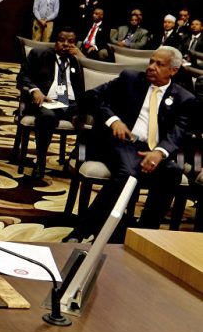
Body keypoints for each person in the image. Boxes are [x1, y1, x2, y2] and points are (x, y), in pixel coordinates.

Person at [64, 47, 194, 243]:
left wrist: (160, 152)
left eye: (159, 64)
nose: (151, 67)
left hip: (151, 150)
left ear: (173, 70)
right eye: (151, 61)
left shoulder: (184, 98)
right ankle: (81, 232)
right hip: (119, 142)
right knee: (128, 173)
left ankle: (143, 234)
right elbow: (91, 97)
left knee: (173, 172)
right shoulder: (130, 79)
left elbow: (179, 132)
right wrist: (113, 120)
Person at [17, 27, 83, 178]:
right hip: (48, 101)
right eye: (62, 40)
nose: (66, 44)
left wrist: (81, 58)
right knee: (47, 117)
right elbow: (22, 77)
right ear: (55, 42)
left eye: (70, 42)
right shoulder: (40, 54)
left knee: (93, 117)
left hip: (72, 103)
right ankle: (40, 162)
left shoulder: (77, 60)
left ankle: (75, 158)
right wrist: (35, 90)